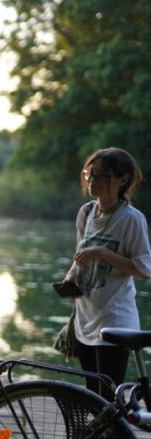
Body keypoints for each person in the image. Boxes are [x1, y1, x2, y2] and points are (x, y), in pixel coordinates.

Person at [64, 147, 151, 400]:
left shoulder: (131, 219)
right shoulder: (86, 213)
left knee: (108, 398)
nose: (92, 181)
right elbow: (81, 255)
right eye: (89, 174)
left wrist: (103, 253)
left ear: (122, 180)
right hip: (84, 319)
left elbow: (144, 269)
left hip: (115, 320)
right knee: (94, 398)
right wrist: (71, 277)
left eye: (101, 176)